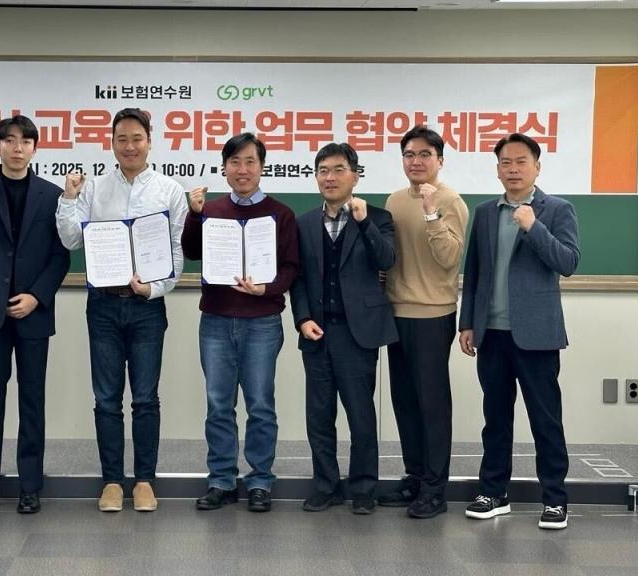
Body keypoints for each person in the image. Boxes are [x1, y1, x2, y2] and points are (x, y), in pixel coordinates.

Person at [56, 108, 187, 512]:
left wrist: (154, 288)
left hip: (147, 307)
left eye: (137, 138)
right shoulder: (94, 188)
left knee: (146, 398)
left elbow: (176, 253)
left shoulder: (170, 191)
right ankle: (112, 480)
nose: (130, 146)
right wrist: (69, 197)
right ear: (111, 143)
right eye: (122, 139)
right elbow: (70, 240)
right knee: (106, 399)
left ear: (150, 141)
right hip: (103, 306)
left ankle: (144, 480)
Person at [459, 132, 580, 530]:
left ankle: (555, 499)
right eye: (505, 163)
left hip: (537, 335)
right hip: (492, 333)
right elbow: (474, 271)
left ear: (537, 167)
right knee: (495, 418)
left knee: (545, 419)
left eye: (521, 162)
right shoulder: (485, 212)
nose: (513, 169)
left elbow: (568, 262)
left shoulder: (557, 210)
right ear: (497, 170)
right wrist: (468, 323)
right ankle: (493, 493)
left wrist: (533, 227)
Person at [0, 115, 70, 514]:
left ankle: (30, 486)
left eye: (25, 141)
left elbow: (60, 256)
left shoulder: (52, 195)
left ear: (35, 148)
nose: (17, 148)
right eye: (9, 141)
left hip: (33, 313)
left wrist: (37, 296)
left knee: (32, 401)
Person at [182, 132, 299, 513]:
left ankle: (260, 480)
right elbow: (191, 252)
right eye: (235, 162)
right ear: (225, 168)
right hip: (216, 321)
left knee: (261, 405)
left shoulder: (281, 214)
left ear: (262, 167)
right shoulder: (211, 210)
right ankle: (221, 480)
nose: (242, 169)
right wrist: (194, 214)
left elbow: (291, 268)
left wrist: (266, 288)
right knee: (218, 405)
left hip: (262, 322)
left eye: (250, 161)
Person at [290, 143, 396, 515]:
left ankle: (364, 488)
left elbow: (387, 259)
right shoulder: (304, 223)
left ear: (355, 175)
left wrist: (364, 222)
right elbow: (298, 278)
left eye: (338, 170)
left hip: (358, 333)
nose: (330, 177)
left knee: (360, 415)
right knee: (319, 416)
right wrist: (302, 318)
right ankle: (326, 485)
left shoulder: (378, 217)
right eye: (323, 171)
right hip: (317, 332)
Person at [379, 125, 468, 519]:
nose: (416, 161)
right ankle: (415, 477)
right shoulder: (395, 201)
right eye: (409, 155)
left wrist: (431, 212)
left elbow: (449, 258)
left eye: (425, 155)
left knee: (432, 404)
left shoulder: (451, 201)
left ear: (440, 160)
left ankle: (435, 489)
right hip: (396, 312)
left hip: (433, 314)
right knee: (405, 402)